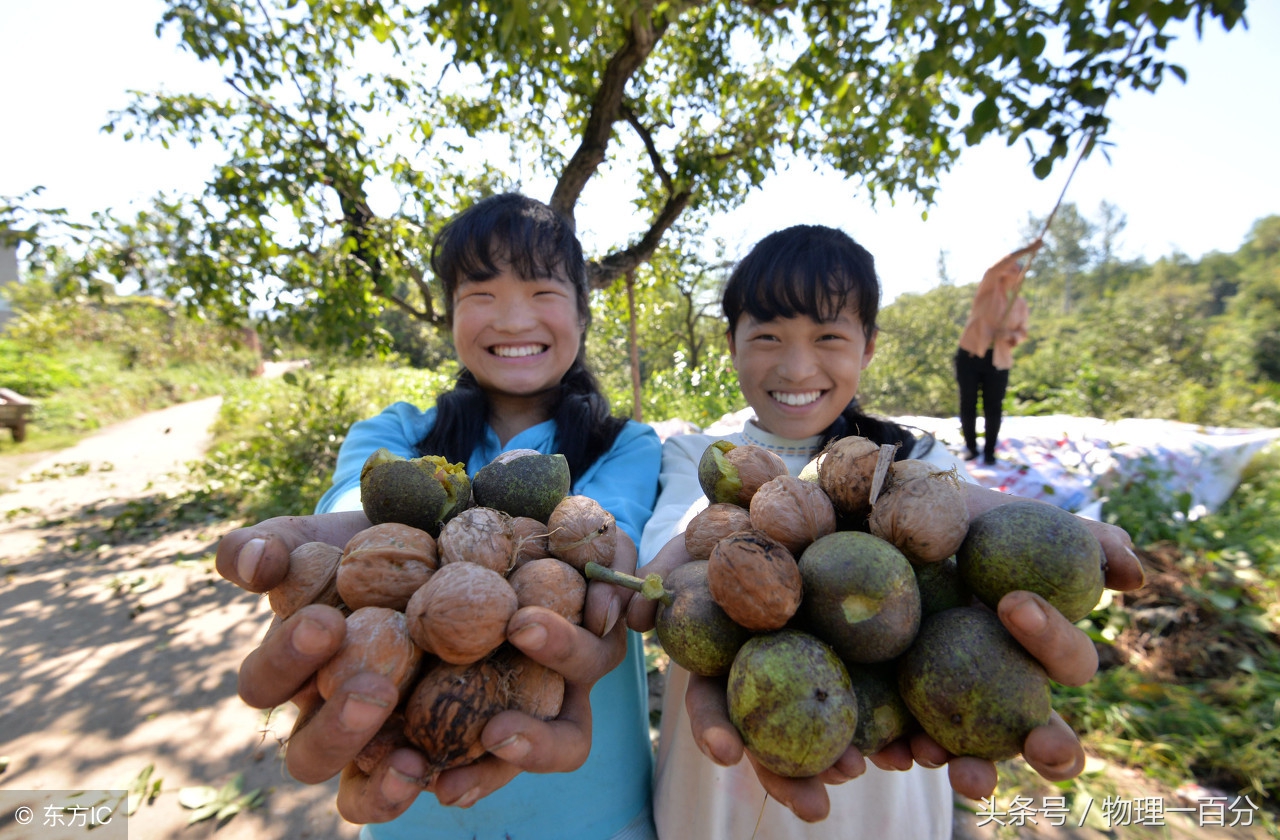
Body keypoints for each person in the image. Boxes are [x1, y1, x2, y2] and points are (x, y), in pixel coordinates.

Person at [627, 225, 1144, 839]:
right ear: (730, 341)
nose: (797, 365)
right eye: (767, 335)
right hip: (715, 806)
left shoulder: (914, 458)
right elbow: (683, 547)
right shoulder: (696, 455)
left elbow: (951, 516)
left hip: (888, 807)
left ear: (868, 346)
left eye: (828, 336)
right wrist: (691, 562)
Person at [214, 193, 663, 839]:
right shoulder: (395, 431)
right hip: (415, 807)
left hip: (599, 810)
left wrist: (603, 558)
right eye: (481, 292)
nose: (512, 317)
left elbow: (603, 526)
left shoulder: (628, 445)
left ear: (583, 313)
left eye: (542, 290)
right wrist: (352, 540)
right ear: (449, 314)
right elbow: (351, 502)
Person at [955, 240, 1041, 465]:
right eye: (1011, 266)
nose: (1013, 269)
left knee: (993, 407)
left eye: (1018, 267)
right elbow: (995, 269)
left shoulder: (1019, 304)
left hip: (998, 360)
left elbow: (1022, 332)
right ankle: (971, 447)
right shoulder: (989, 289)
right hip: (971, 354)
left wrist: (1010, 336)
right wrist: (1027, 250)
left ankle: (990, 451)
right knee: (968, 402)